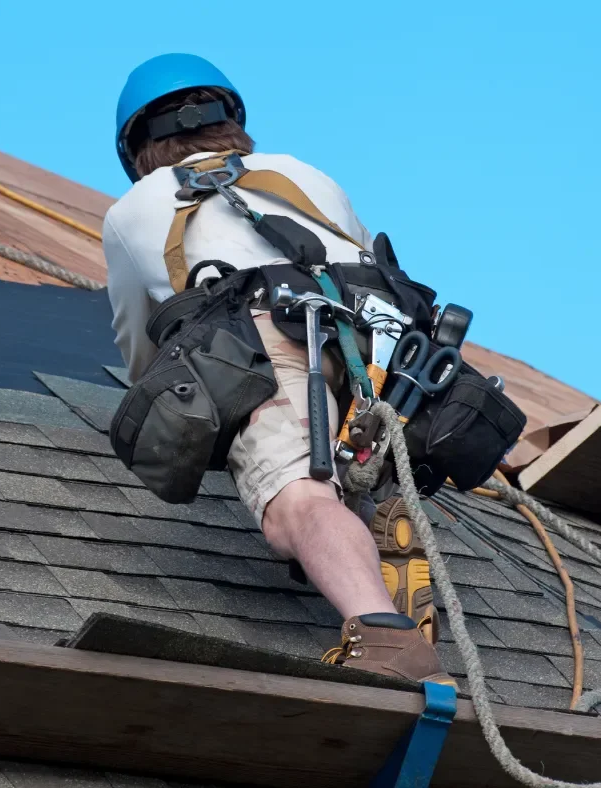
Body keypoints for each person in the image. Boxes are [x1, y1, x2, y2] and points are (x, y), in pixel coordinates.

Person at [103, 53, 454, 686]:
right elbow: (368, 262)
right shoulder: (301, 173)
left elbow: (141, 349)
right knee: (351, 459)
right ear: (230, 121)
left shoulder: (135, 207)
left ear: (140, 147)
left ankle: (380, 630)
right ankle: (370, 518)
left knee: (295, 500)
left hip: (264, 333)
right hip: (382, 347)